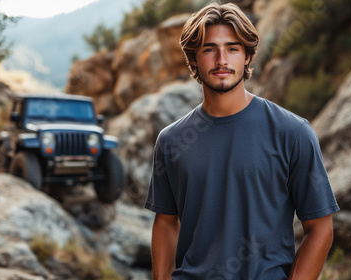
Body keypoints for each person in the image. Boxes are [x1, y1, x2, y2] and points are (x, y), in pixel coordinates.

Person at [144, 2, 339, 279]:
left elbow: (320, 227)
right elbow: (165, 223)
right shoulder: (171, 140)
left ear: (247, 56)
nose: (222, 59)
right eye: (209, 49)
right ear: (194, 59)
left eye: (232, 48)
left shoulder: (293, 132)